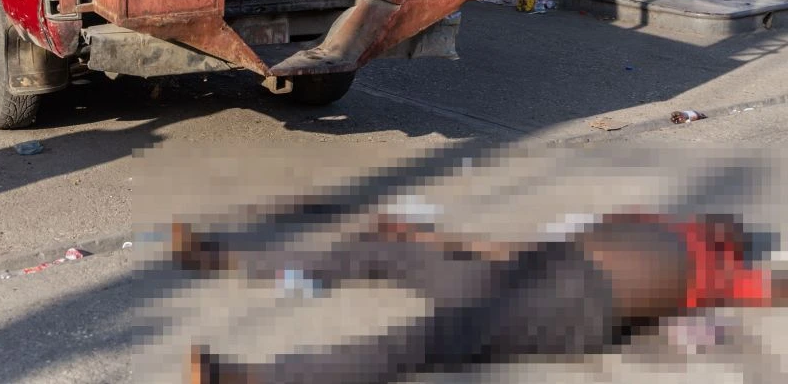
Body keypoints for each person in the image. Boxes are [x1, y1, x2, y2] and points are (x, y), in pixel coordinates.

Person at [179, 212, 788, 383]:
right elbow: (514, 247)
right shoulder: (649, 222)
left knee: (418, 343)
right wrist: (431, 238)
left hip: (574, 312)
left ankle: (254, 379)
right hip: (532, 269)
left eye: (732, 230)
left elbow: (774, 288)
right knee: (379, 249)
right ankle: (226, 258)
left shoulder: (723, 275)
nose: (727, 225)